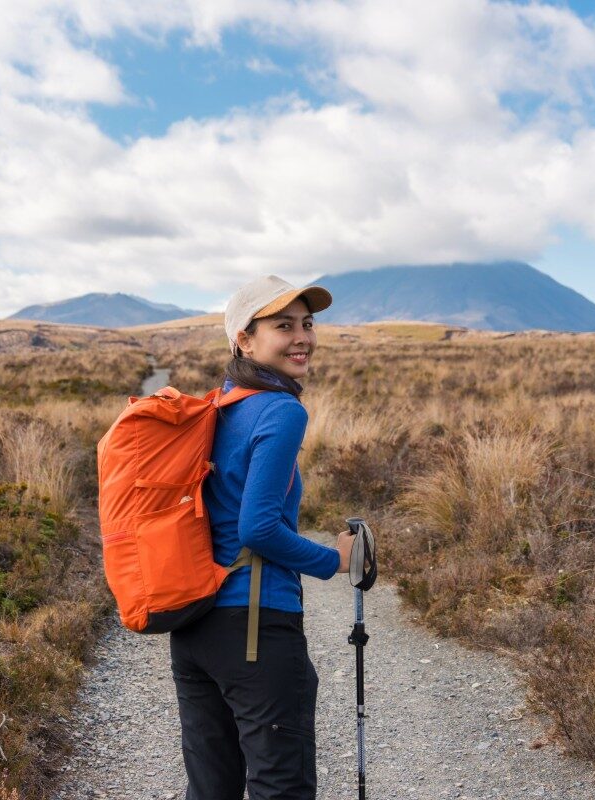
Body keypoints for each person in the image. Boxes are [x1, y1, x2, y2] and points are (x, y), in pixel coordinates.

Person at [169, 274, 357, 800]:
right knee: (281, 786)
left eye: (307, 323)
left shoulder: (221, 406)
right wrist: (332, 560)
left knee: (211, 789)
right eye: (283, 326)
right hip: (255, 628)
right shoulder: (280, 410)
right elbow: (257, 528)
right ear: (244, 341)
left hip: (195, 629)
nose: (302, 337)